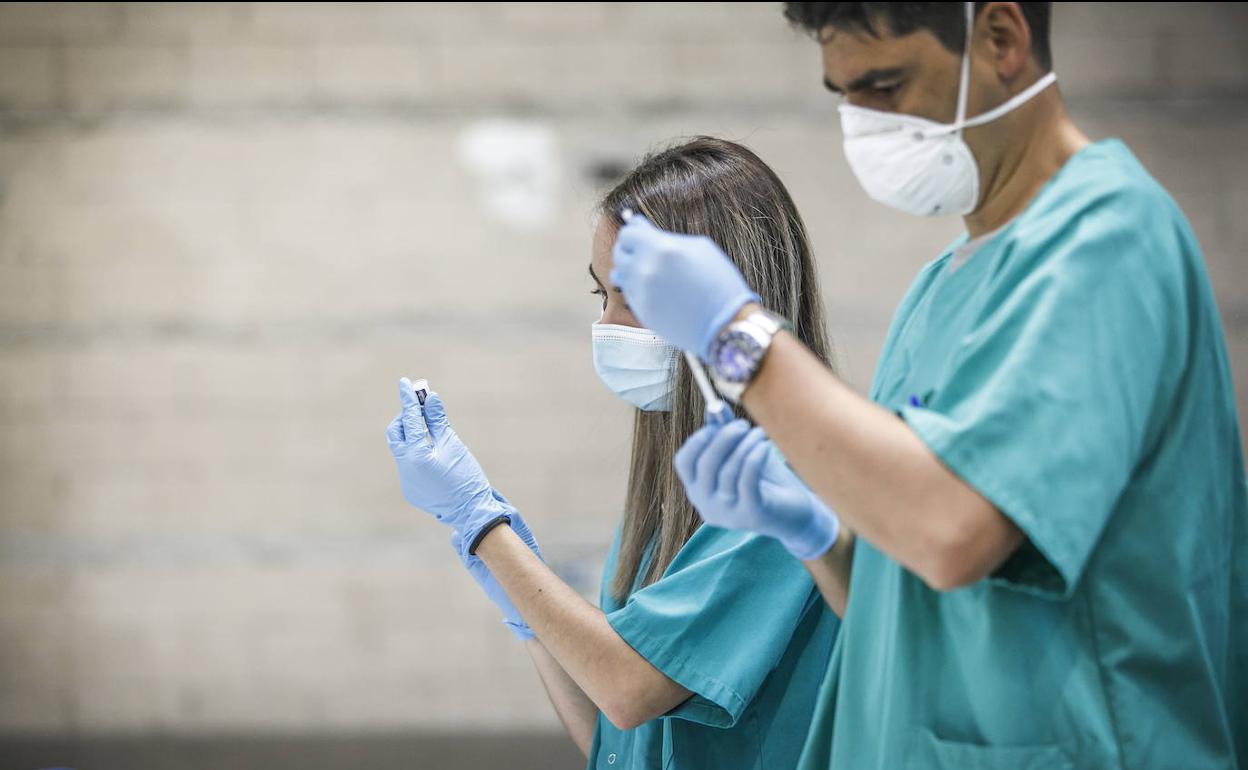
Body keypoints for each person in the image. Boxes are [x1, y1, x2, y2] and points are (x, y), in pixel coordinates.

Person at [608, 4, 1247, 769]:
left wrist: (734, 335)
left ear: (1001, 39)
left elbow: (953, 533)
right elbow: (903, 595)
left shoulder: (1109, 239)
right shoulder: (935, 290)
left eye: (886, 82)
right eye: (845, 92)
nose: (864, 124)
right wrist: (819, 538)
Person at [385, 137, 842, 769]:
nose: (609, 323)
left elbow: (632, 687)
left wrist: (482, 526)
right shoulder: (676, 496)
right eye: (602, 296)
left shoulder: (780, 484)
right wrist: (528, 615)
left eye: (633, 294)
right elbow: (617, 738)